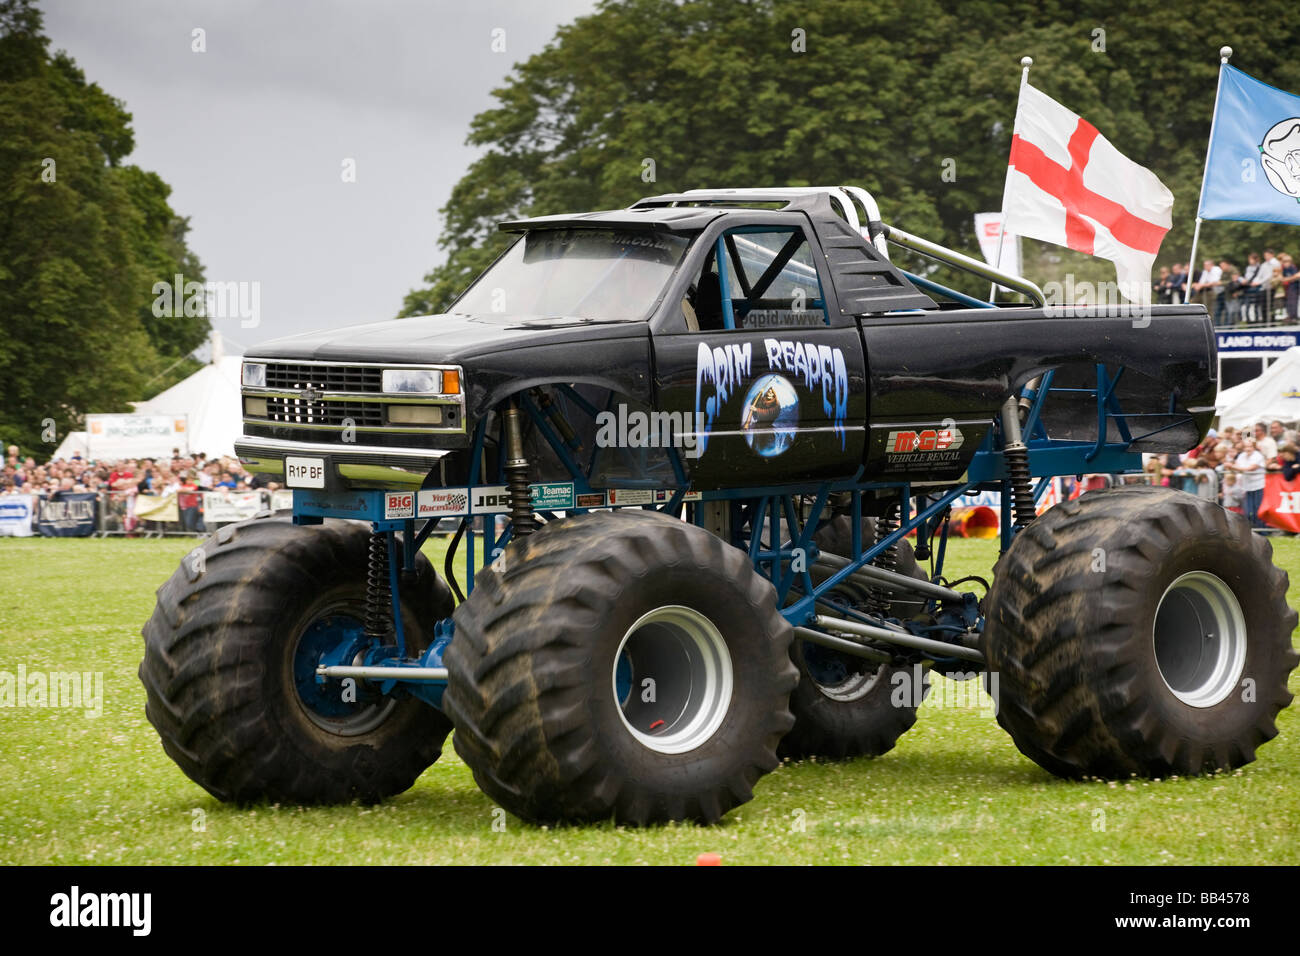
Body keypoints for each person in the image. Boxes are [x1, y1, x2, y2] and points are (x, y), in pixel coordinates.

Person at [1227, 436, 1267, 528]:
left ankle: (1262, 530)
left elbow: (1250, 468)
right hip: (1246, 486)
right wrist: (1232, 466)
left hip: (1258, 486)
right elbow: (1237, 466)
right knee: (1248, 510)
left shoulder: (1258, 456)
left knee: (1258, 510)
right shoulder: (1241, 456)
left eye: (1250, 446)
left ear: (1254, 447)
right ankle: (1251, 530)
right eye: (1246, 447)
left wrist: (1232, 466)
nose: (1248, 449)